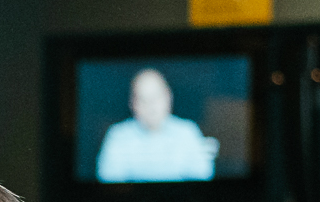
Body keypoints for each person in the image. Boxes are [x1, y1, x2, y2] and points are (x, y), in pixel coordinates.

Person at [95, 64, 225, 184]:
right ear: (133, 103)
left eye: (156, 97)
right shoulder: (117, 135)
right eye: (143, 99)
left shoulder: (188, 131)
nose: (151, 106)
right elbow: (109, 183)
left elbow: (201, 179)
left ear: (168, 97)